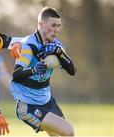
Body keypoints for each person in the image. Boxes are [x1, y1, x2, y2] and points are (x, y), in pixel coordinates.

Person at [10, 7, 76, 136]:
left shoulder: (57, 45)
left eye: (58, 26)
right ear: (40, 24)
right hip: (28, 105)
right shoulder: (29, 45)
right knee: (69, 132)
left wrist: (61, 53)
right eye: (53, 25)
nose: (56, 30)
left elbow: (72, 71)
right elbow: (16, 74)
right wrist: (33, 69)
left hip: (47, 101)